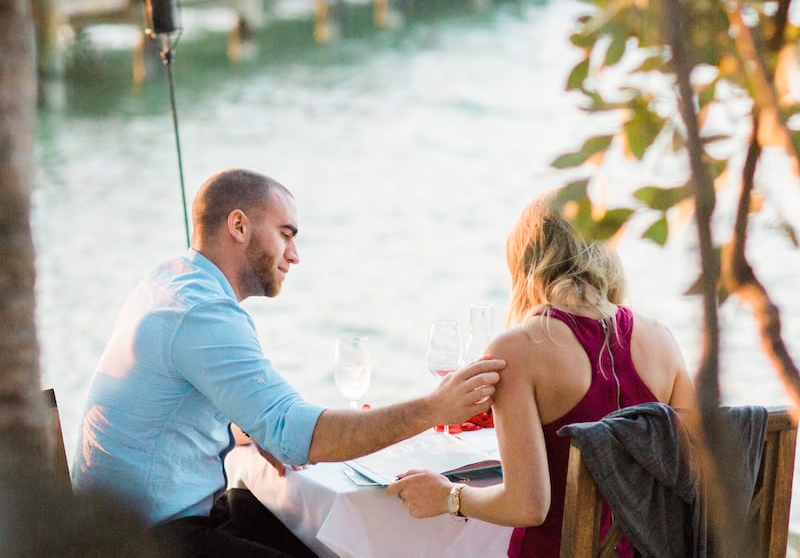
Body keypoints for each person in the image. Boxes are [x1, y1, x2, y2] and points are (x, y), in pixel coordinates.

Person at [72, 168, 505, 557]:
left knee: (304, 535)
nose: (294, 254)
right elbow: (300, 437)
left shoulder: (171, 282)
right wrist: (435, 408)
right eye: (285, 233)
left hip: (121, 519)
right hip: (146, 537)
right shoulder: (204, 314)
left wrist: (251, 421)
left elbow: (176, 396)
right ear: (238, 225)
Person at [386, 192, 696, 558]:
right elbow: (697, 470)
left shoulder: (519, 350)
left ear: (526, 262)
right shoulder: (662, 338)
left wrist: (448, 497)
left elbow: (529, 505)